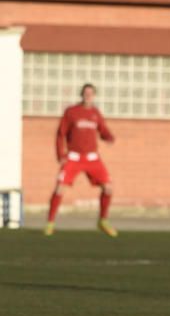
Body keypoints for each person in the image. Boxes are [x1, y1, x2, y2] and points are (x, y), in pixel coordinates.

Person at [45, 83, 118, 237]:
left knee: (108, 188)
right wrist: (60, 154)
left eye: (91, 93)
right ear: (81, 94)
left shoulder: (95, 113)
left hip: (92, 157)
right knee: (60, 188)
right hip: (74, 157)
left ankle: (103, 221)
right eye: (86, 93)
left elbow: (103, 130)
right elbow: (60, 133)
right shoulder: (72, 112)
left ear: (94, 95)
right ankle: (50, 222)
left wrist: (109, 137)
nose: (88, 95)